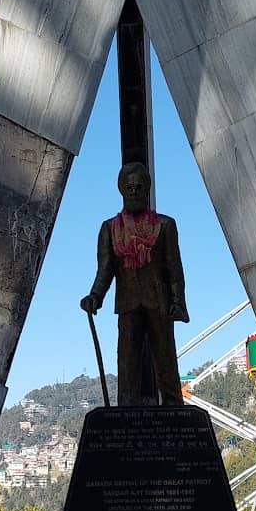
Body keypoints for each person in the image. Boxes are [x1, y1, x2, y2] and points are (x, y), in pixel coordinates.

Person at [80, 162, 190, 406]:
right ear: (121, 190)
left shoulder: (165, 225)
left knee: (166, 362)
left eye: (139, 186)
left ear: (147, 189)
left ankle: (174, 411)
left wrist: (178, 302)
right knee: (127, 365)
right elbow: (105, 269)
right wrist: (95, 296)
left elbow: (174, 269)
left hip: (159, 303)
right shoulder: (109, 229)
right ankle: (127, 414)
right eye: (129, 187)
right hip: (128, 304)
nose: (134, 191)